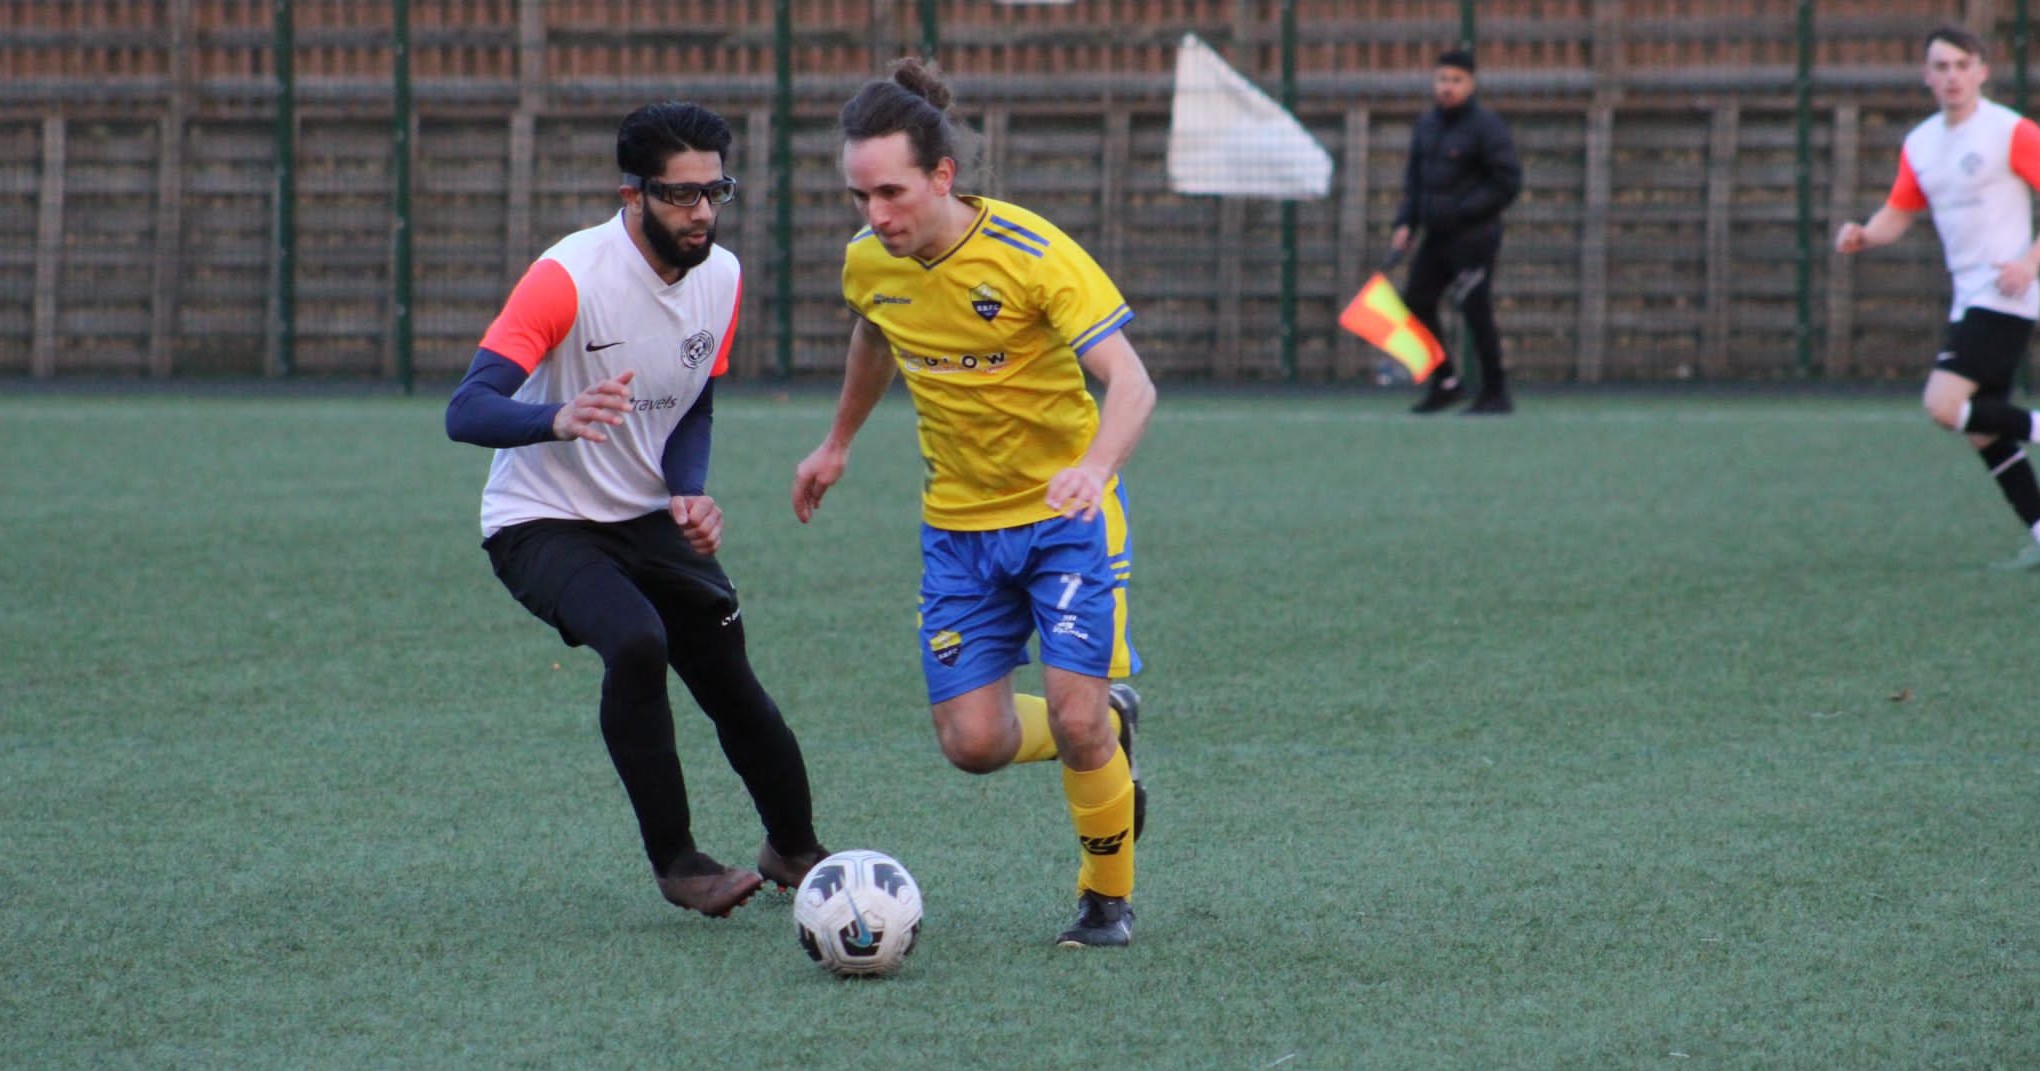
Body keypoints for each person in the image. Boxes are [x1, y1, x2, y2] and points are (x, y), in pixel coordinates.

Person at [790, 59, 1156, 949]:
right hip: (957, 532)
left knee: (1070, 719)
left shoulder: (1031, 254)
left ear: (942, 176)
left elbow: (1132, 384)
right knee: (974, 743)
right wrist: (837, 443)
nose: (875, 215)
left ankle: (1105, 900)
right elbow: (876, 333)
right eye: (858, 196)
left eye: (891, 191)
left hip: (1064, 520)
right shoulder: (871, 264)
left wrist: (1095, 470)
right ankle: (1113, 726)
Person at [444, 100, 828, 918]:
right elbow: (467, 408)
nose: (701, 213)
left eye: (714, 192)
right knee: (637, 639)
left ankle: (793, 846)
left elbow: (693, 402)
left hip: (646, 515)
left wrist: (687, 488)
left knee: (729, 671)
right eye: (679, 195)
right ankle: (677, 860)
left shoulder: (720, 277)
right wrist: (554, 418)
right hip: (539, 519)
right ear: (631, 195)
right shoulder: (568, 277)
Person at [1836, 25, 2040, 571]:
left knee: (1943, 405)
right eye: (1941, 67)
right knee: (1982, 431)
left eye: (1961, 65)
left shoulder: (2010, 131)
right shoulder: (1922, 143)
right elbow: (1898, 212)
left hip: (2007, 292)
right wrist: (1865, 234)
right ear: (1927, 76)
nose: (1952, 76)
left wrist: (2028, 263)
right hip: (1968, 297)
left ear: (1982, 71)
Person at [1393, 48, 1523, 415]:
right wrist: (1405, 222)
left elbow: (1507, 182)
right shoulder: (1427, 126)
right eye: (1442, 80)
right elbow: (1416, 182)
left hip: (1473, 238)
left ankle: (1496, 392)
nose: (1447, 87)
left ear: (1471, 84)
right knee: (1416, 302)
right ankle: (1445, 381)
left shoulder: (1487, 128)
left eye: (1456, 81)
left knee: (1475, 310)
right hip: (1436, 237)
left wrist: (1464, 211)